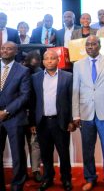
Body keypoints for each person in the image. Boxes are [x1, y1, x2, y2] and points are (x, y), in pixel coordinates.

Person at [72, 35, 104, 191]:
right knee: (87, 149)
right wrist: (76, 114)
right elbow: (75, 91)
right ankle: (90, 178)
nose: (90, 47)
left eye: (93, 44)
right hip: (85, 113)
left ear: (99, 46)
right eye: (88, 44)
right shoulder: (78, 65)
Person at [31, 50, 74, 191]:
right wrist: (32, 122)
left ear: (58, 60)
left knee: (64, 153)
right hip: (42, 122)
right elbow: (33, 101)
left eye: (52, 58)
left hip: (60, 121)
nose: (49, 61)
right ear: (43, 62)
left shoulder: (67, 77)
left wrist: (71, 120)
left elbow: (72, 100)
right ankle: (47, 178)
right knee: (45, 153)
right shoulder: (35, 78)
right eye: (46, 59)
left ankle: (66, 179)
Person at [0, 42, 30, 191]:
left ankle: (17, 185)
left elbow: (25, 96)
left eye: (9, 48)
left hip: (14, 116)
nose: (5, 51)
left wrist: (6, 111)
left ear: (16, 51)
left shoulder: (23, 70)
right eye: (3, 48)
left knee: (18, 153)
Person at [24, 51, 43, 183]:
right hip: (18, 114)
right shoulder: (20, 71)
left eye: (37, 61)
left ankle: (36, 170)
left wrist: (33, 121)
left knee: (34, 143)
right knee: (20, 145)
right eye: (33, 61)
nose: (35, 63)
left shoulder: (39, 73)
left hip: (34, 114)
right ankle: (22, 171)